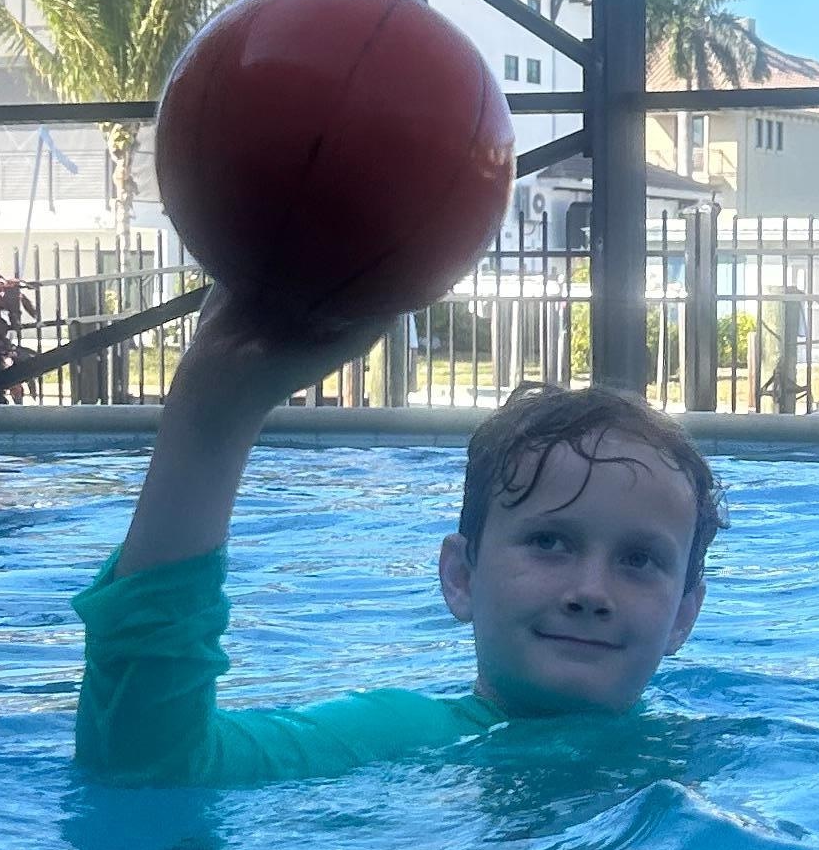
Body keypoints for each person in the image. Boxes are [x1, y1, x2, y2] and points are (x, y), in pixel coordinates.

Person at [73, 299, 720, 788]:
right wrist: (214, 413)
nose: (590, 592)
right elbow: (154, 762)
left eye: (638, 560)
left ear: (684, 614)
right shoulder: (399, 740)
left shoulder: (703, 759)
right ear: (461, 577)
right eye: (550, 542)